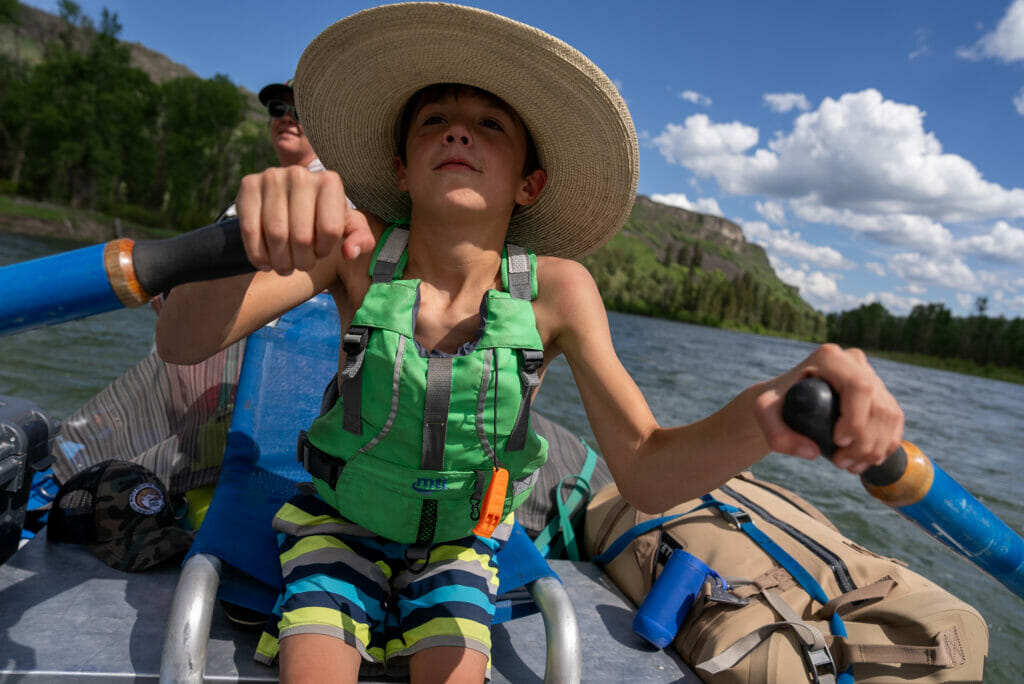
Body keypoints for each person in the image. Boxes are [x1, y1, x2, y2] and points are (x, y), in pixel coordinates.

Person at [156, 4, 903, 683]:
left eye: (490, 125)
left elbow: (642, 469)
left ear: (529, 184)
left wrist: (762, 415)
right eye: (435, 121)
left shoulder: (559, 290)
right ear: (398, 170)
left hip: (459, 546)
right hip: (337, 524)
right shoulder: (350, 250)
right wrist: (249, 246)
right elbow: (184, 341)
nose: (458, 131)